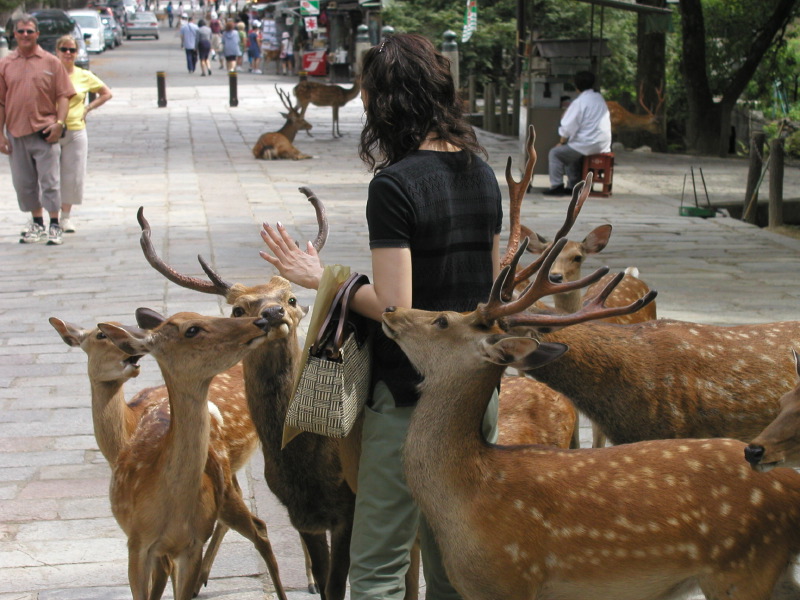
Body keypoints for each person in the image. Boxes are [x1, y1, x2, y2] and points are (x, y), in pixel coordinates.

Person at [259, 33, 502, 600]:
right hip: (475, 393)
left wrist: (322, 278)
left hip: (410, 400)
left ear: (388, 102)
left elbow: (399, 310)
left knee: (378, 567)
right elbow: (485, 293)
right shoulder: (482, 174)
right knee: (452, 564)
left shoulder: (394, 185)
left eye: (368, 95)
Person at [0, 14, 75, 245]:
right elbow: (1, 102)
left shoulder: (51, 62)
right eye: (21, 31)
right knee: (24, 183)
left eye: (29, 31)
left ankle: (54, 224)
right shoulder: (5, 64)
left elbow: (64, 95)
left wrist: (59, 123)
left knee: (49, 180)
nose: (25, 35)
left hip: (44, 131)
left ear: (37, 34)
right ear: (14, 34)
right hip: (16, 132)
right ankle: (36, 222)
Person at [55, 34, 112, 234]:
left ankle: (65, 216)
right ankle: (49, 216)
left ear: (77, 52)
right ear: (57, 52)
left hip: (76, 128)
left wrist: (87, 108)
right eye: (64, 50)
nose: (68, 53)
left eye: (72, 50)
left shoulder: (83, 75)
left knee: (73, 174)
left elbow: (106, 92)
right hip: (52, 130)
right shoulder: (51, 73)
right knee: (49, 175)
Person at [544, 70, 611, 196]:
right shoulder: (599, 99)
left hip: (587, 143)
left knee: (556, 153)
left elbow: (568, 127)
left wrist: (561, 141)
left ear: (576, 86)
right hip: (603, 143)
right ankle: (573, 185)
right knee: (571, 151)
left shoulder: (579, 102)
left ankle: (556, 185)